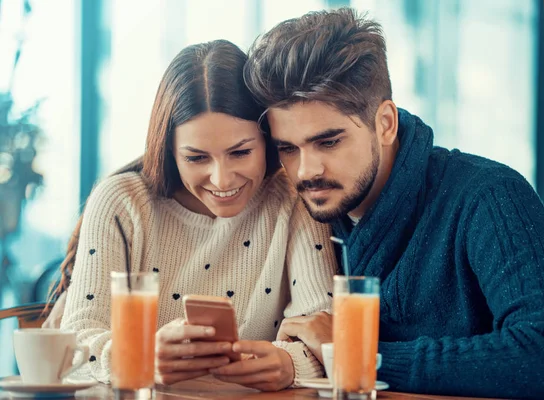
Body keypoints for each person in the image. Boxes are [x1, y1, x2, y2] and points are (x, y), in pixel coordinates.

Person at [242, 8, 544, 400]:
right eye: (288, 148)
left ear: (386, 123)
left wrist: (358, 355)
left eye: (329, 142)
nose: (306, 171)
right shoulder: (311, 216)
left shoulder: (488, 196)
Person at [54, 40, 337, 392]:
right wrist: (139, 358)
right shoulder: (122, 202)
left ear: (266, 139)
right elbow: (74, 344)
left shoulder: (292, 200)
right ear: (169, 150)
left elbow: (325, 332)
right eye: (196, 158)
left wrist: (289, 365)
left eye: (240, 152)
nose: (222, 179)